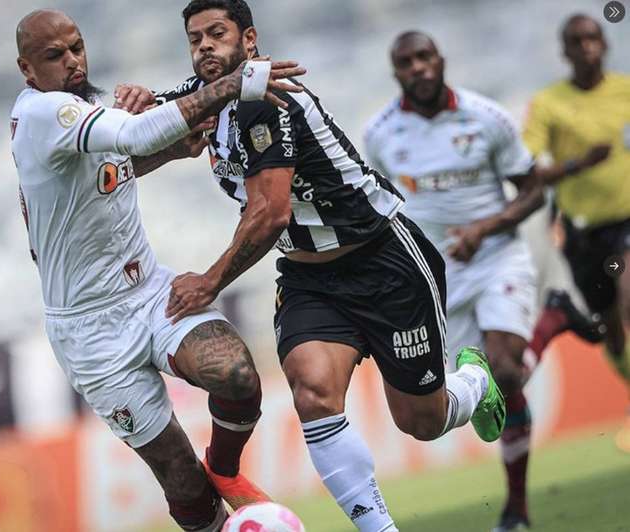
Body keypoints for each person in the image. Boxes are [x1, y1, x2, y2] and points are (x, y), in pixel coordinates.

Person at [118, 2, 508, 530]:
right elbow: (131, 136)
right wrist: (130, 102)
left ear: (249, 40)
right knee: (312, 393)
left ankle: (473, 383)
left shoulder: (268, 99)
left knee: (422, 420)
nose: (205, 46)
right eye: (195, 38)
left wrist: (209, 282)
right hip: (310, 279)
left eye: (217, 33)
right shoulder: (204, 97)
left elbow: (272, 212)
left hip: (383, 260)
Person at [10, 9, 306, 531]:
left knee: (235, 375)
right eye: (55, 57)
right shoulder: (45, 113)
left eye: (77, 47)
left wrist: (173, 149)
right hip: (90, 331)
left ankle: (227, 470)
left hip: (148, 290)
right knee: (180, 479)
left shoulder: (80, 108)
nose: (74, 62)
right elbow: (137, 136)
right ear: (27, 70)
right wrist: (235, 85)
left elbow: (113, 166)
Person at [363, 31, 608, 532]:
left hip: (498, 258)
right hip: (438, 278)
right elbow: (379, 212)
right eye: (406, 62)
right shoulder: (380, 134)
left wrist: (484, 228)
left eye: (425, 57)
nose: (419, 69)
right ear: (397, 73)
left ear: (441, 60)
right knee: (491, 394)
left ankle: (516, 510)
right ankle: (556, 315)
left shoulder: (487, 117)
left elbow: (533, 192)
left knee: (505, 371)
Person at [523, 13, 630, 454]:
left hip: (625, 223)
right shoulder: (549, 104)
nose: (585, 46)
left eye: (592, 38)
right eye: (575, 40)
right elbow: (525, 171)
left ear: (604, 44)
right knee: (612, 331)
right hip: (583, 235)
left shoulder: (625, 91)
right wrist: (577, 165)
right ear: (564, 51)